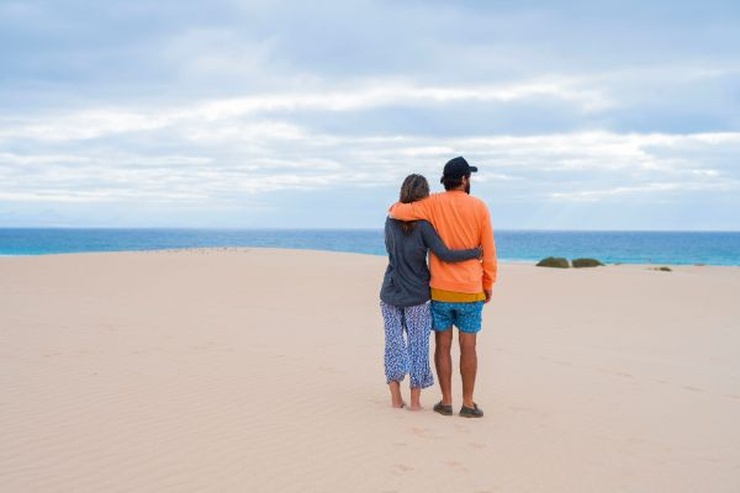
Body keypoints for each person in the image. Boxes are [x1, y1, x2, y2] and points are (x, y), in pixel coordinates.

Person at [388, 156, 496, 418]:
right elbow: (489, 252)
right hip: (470, 289)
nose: (469, 180)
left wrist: (394, 205)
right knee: (469, 346)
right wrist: (488, 282)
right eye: (469, 176)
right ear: (463, 179)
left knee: (443, 345)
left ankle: (446, 401)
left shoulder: (433, 203)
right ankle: (468, 403)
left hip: (440, 289)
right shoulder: (480, 207)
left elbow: (398, 211)